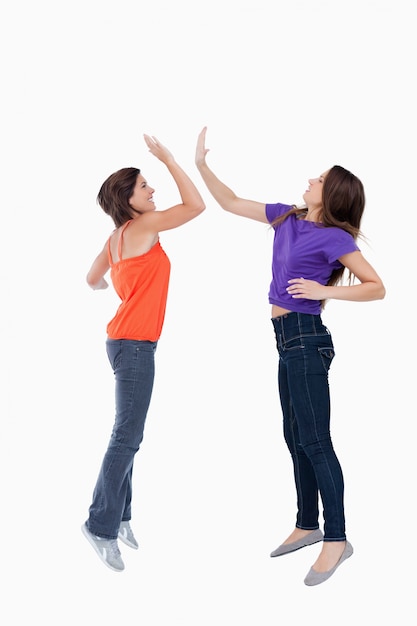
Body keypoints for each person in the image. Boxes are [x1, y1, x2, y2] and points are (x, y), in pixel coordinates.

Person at [195, 126, 385, 586]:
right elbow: (231, 202)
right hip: (284, 339)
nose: (309, 181)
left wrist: (325, 290)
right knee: (295, 436)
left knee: (316, 439)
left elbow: (377, 287)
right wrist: (202, 166)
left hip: (306, 338)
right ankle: (307, 524)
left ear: (332, 193)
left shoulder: (336, 238)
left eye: (318, 179)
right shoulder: (287, 218)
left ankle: (337, 539)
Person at [82, 134, 205, 572]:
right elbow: (196, 207)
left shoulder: (116, 239)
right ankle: (100, 525)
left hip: (122, 341)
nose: (152, 191)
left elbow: (92, 279)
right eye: (144, 186)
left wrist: (122, 293)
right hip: (133, 346)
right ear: (128, 200)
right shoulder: (144, 227)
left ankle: (121, 518)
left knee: (130, 435)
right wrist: (171, 159)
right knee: (126, 436)